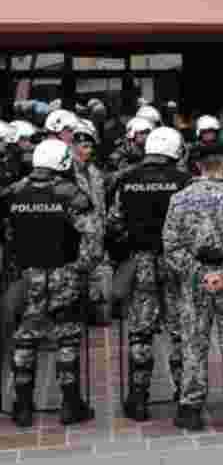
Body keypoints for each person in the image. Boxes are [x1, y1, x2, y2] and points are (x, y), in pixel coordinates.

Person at [1, 140, 102, 427]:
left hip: (26, 274)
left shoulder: (14, 192)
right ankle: (70, 405)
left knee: (25, 337)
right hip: (63, 271)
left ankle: (22, 407)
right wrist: (82, 269)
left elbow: (7, 234)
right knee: (67, 337)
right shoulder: (71, 194)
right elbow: (92, 238)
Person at [162, 140, 223, 432]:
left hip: (195, 282)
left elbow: (171, 245)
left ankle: (190, 409)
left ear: (197, 165)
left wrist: (200, 274)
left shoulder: (179, 199)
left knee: (193, 343)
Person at [106, 127, 192, 420]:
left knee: (140, 332)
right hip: (176, 263)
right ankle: (185, 400)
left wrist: (123, 254)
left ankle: (139, 399)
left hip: (140, 261)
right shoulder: (183, 181)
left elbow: (113, 224)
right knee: (179, 332)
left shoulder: (125, 180)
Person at [72, 119, 110, 326]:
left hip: (96, 234)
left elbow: (100, 204)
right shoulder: (67, 173)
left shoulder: (94, 172)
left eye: (90, 146)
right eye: (84, 146)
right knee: (76, 281)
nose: (88, 150)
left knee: (97, 279)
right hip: (78, 236)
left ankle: (93, 314)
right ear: (74, 146)